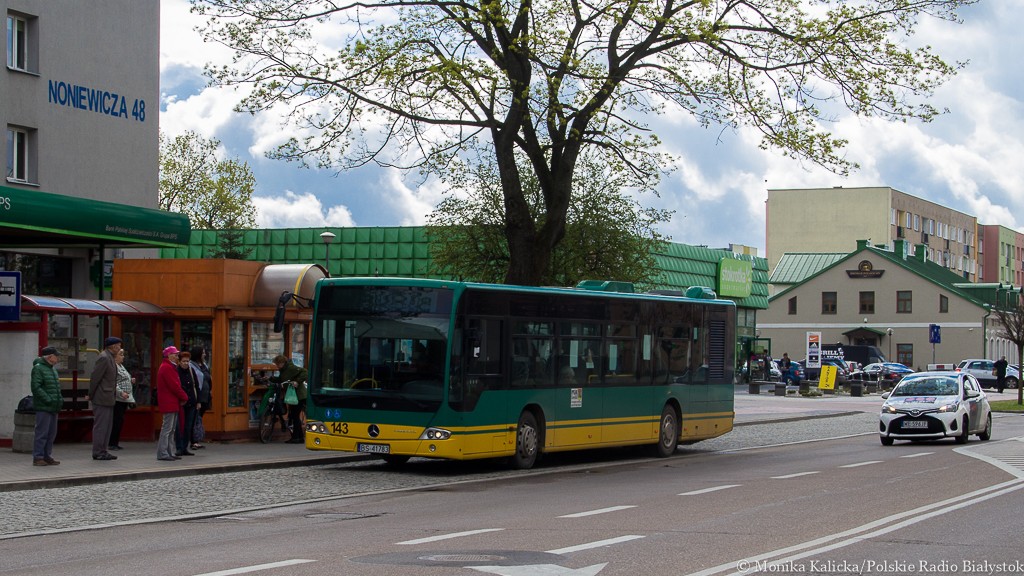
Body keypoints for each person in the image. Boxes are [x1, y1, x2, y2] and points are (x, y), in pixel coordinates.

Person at [88, 336, 122, 461]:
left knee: (107, 426)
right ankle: (98, 451)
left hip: (108, 397)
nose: (119, 348)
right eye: (118, 345)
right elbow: (95, 377)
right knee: (101, 426)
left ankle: (103, 450)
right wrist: (91, 394)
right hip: (102, 397)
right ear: (112, 346)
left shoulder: (110, 357)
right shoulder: (104, 357)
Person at [31, 346, 63, 466]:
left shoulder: (52, 369)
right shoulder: (38, 369)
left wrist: (58, 399)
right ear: (50, 357)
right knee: (42, 432)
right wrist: (48, 399)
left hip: (53, 406)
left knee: (51, 433)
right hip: (44, 406)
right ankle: (38, 456)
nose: (58, 358)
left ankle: (47, 455)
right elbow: (36, 387)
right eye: (56, 355)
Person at [157, 346, 187, 461]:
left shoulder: (169, 367)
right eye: (174, 354)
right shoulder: (167, 368)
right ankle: (163, 452)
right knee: (167, 429)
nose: (176, 356)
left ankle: (169, 451)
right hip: (169, 402)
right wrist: (184, 396)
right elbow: (174, 386)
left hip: (172, 402)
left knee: (171, 429)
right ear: (168, 355)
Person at [269, 354, 308, 444]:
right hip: (293, 396)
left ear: (282, 363)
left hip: (299, 396)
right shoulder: (283, 370)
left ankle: (295, 438)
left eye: (278, 364)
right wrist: (271, 378)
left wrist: (297, 381)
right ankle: (299, 438)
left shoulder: (290, 368)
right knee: (294, 416)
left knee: (295, 416)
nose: (277, 366)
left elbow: (305, 372)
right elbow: (282, 379)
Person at [108, 348, 136, 451]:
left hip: (125, 399)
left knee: (120, 421)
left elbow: (124, 378)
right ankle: (112, 443)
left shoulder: (121, 366)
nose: (123, 356)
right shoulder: (113, 367)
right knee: (116, 421)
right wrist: (121, 392)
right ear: (115, 357)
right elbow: (113, 382)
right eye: (121, 354)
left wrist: (131, 380)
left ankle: (115, 442)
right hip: (118, 398)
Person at [175, 350, 200, 456]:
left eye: (187, 361)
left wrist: (198, 401)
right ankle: (179, 447)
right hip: (181, 403)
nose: (186, 363)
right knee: (179, 426)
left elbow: (196, 385)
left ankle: (185, 447)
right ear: (179, 362)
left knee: (188, 426)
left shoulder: (191, 371)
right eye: (184, 361)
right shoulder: (176, 371)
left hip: (192, 402)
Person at [189, 346, 212, 449]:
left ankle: (196, 439)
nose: (205, 354)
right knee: (195, 418)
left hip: (205, 396)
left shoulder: (204, 365)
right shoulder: (191, 365)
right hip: (197, 396)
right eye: (203, 353)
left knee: (199, 417)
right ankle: (193, 441)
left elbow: (208, 378)